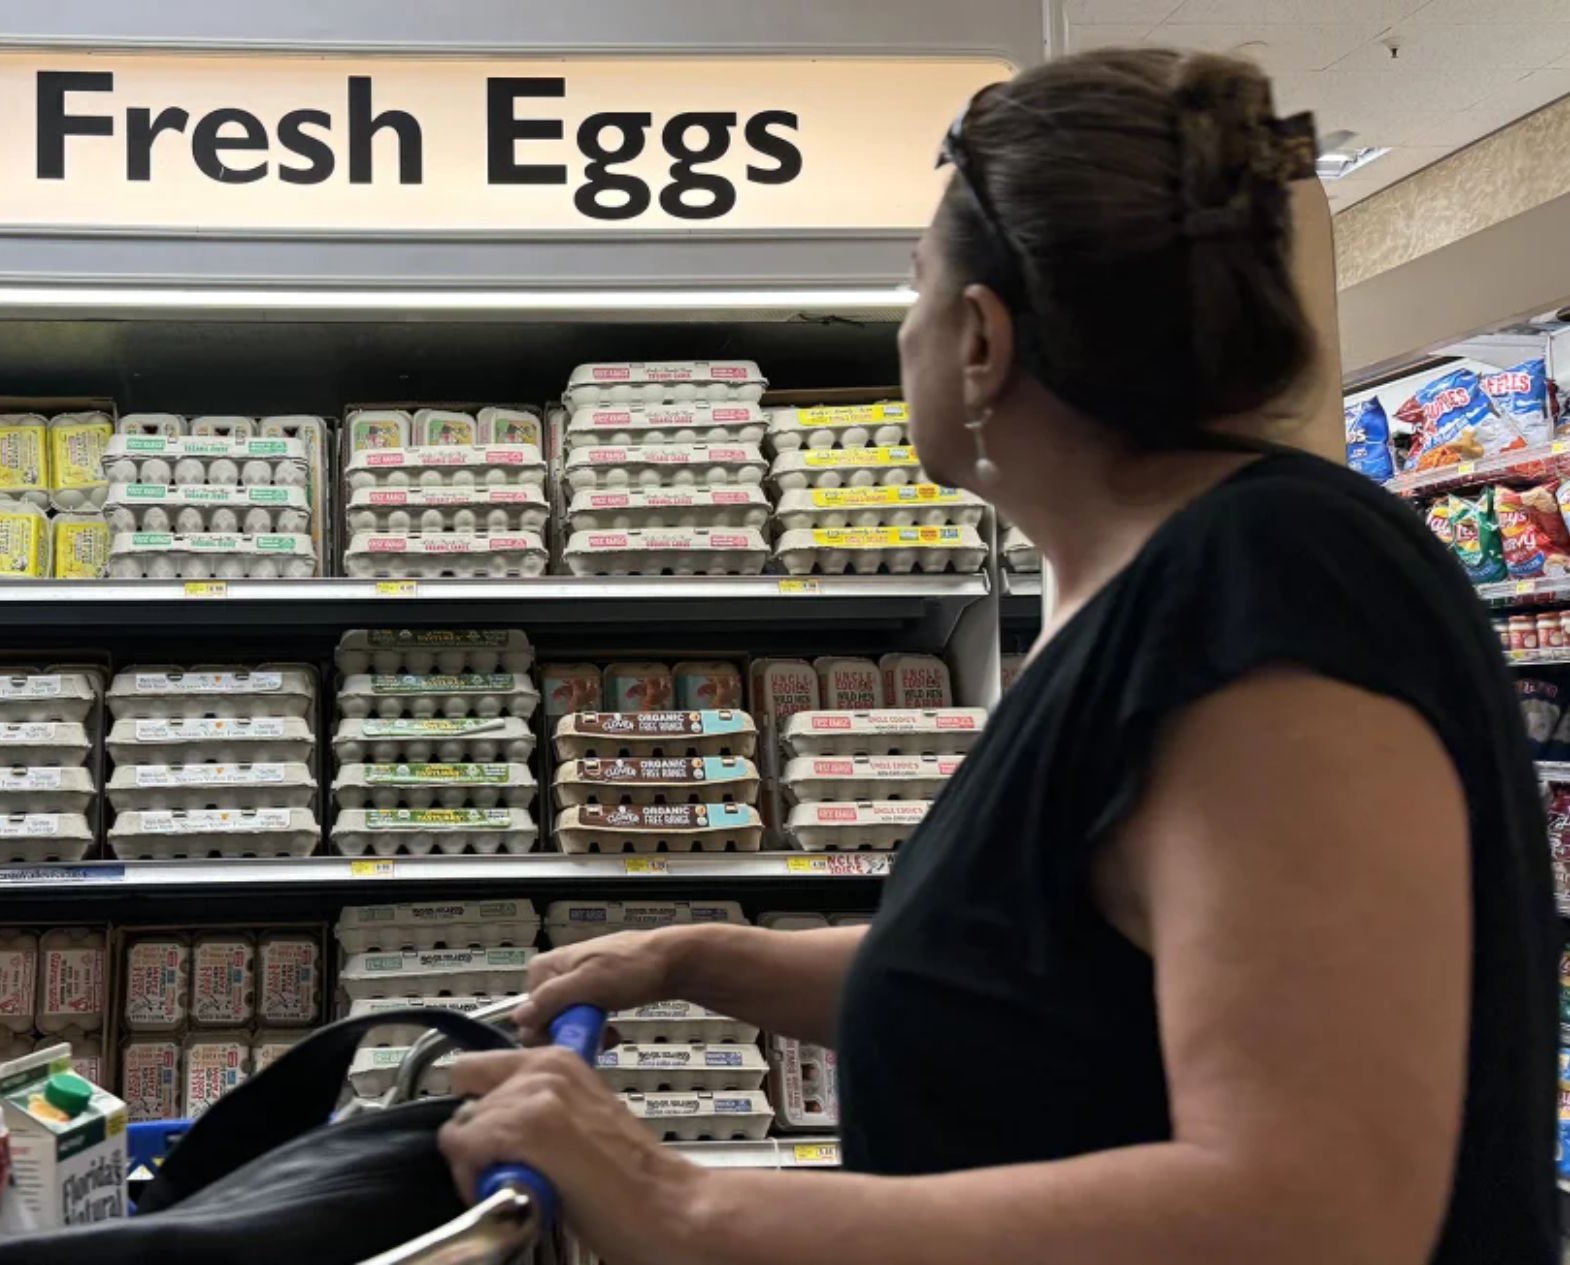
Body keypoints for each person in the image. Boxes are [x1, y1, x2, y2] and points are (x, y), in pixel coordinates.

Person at [438, 47, 1558, 1265]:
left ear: (981, 339)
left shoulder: (1269, 578)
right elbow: (1031, 977)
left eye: (912, 286)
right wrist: (697, 956)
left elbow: (1313, 1209)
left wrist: (676, 1200)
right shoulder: (1163, 585)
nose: (902, 322)